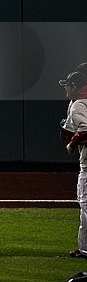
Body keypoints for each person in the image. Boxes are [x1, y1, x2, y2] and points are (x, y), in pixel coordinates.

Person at [62, 71, 87, 258]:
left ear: (75, 87)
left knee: (85, 205)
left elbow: (85, 131)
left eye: (68, 85)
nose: (66, 89)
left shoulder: (78, 104)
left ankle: (86, 248)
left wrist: (72, 143)